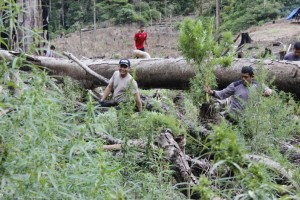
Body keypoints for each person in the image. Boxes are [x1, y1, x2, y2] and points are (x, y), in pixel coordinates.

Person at [204, 66, 272, 119]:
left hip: (250, 119)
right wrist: (211, 92)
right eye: (242, 76)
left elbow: (269, 90)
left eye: (246, 77)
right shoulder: (235, 85)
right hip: (234, 118)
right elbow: (222, 94)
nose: (243, 79)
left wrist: (268, 92)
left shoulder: (258, 85)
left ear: (252, 77)